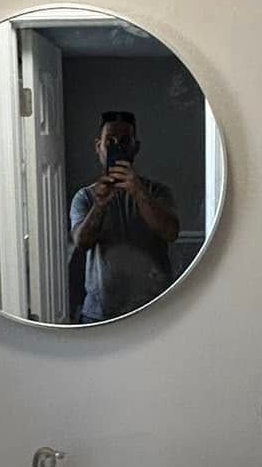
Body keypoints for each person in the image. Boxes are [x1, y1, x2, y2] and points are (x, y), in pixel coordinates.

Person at [69, 111, 180, 322]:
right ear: (98, 147)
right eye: (109, 141)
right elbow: (82, 243)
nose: (116, 146)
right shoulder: (85, 197)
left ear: (135, 147)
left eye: (124, 141)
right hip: (99, 314)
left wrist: (138, 191)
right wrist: (100, 205)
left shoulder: (157, 192)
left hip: (153, 310)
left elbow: (171, 232)